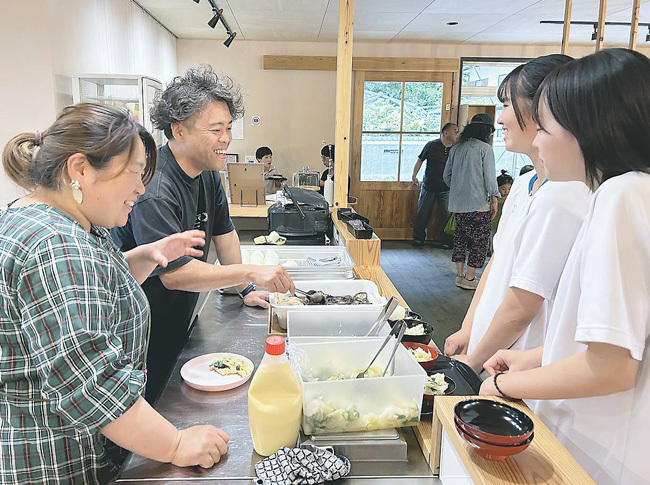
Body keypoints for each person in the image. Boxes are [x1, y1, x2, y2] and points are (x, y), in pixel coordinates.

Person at [0, 103, 230, 484]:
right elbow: (91, 387)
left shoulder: (56, 220)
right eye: (135, 173)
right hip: (55, 460)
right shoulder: (57, 245)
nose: (141, 188)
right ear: (80, 170)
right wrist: (175, 444)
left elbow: (90, 293)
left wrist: (143, 257)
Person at [479, 48, 650, 485]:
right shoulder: (627, 193)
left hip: (604, 452)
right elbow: (627, 342)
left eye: (547, 127)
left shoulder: (621, 197)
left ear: (589, 132)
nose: (536, 140)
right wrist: (534, 359)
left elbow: (613, 367)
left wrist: (504, 386)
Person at [111, 66, 294, 401]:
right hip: (143, 329)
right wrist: (250, 271)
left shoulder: (207, 172)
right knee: (150, 401)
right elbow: (175, 275)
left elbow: (225, 234)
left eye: (228, 128)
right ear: (178, 130)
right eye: (215, 129)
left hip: (177, 317)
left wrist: (245, 288)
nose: (225, 137)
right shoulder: (156, 189)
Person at [444, 55, 590, 378]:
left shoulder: (563, 195)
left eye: (508, 105)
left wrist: (474, 360)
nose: (501, 119)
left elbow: (524, 304)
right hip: (487, 355)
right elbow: (497, 264)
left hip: (512, 366)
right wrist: (470, 330)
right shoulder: (525, 183)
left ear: (543, 109)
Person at [443, 113, 499, 290]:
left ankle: (459, 275)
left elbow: (446, 175)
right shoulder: (485, 149)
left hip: (458, 205)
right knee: (479, 241)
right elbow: (490, 178)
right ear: (486, 131)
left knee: (460, 238)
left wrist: (459, 188)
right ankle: (469, 278)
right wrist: (494, 198)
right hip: (479, 205)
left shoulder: (456, 148)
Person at [411, 122, 459, 247]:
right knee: (423, 213)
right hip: (429, 185)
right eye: (455, 131)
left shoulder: (456, 148)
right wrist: (414, 175)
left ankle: (446, 241)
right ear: (446, 133)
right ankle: (418, 238)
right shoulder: (431, 145)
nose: (457, 134)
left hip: (447, 188)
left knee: (446, 215)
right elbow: (420, 159)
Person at [492, 169, 514, 233]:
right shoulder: (495, 200)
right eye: (503, 189)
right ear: (497, 188)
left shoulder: (510, 199)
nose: (506, 191)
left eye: (509, 189)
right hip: (494, 227)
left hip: (504, 227)